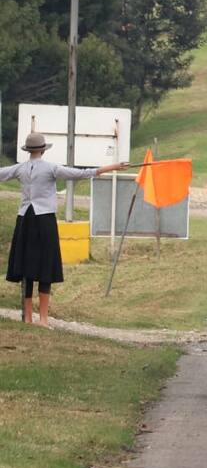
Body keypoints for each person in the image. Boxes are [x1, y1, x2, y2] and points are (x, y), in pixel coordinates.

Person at [0, 132, 127, 327]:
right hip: (44, 221)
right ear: (42, 149)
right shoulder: (51, 168)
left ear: (28, 150)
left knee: (26, 266)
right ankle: (42, 319)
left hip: (25, 220)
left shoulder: (20, 169)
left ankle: (27, 317)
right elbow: (82, 173)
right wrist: (113, 167)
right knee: (45, 266)